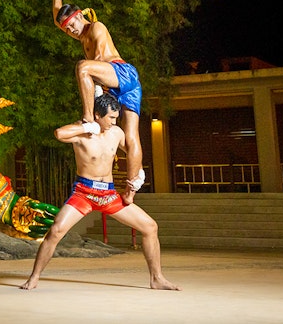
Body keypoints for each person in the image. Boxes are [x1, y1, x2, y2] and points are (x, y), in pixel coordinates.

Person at [19, 93, 179, 290]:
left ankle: (157, 278)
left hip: (109, 195)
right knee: (55, 231)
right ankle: (34, 277)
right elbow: (59, 133)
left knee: (150, 227)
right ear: (97, 115)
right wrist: (86, 127)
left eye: (115, 117)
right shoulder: (82, 134)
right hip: (83, 193)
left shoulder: (116, 133)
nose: (113, 121)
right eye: (110, 117)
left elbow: (133, 152)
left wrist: (138, 176)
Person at [52, 0, 144, 203]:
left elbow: (102, 60)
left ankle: (87, 119)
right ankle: (132, 188)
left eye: (71, 24)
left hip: (121, 73)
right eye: (66, 28)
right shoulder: (79, 35)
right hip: (126, 87)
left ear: (79, 15)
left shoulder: (95, 28)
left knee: (83, 67)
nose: (70, 30)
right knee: (130, 138)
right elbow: (57, 18)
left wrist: (96, 93)